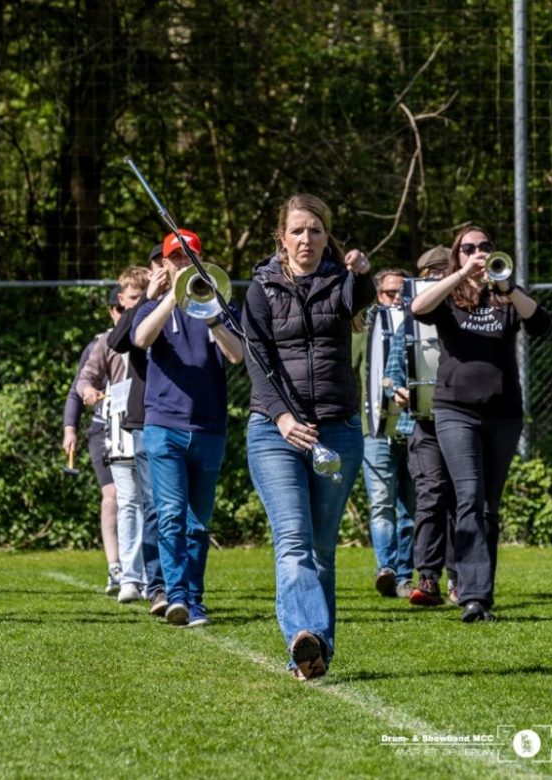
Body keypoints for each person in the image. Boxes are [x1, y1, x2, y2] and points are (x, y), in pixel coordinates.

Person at [243, 194, 375, 680]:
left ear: (327, 236)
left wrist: (362, 273)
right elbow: (256, 359)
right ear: (282, 237)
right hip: (274, 431)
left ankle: (317, 651)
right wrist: (280, 417)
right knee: (294, 539)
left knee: (321, 546)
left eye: (315, 230)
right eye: (297, 231)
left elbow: (357, 300)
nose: (306, 239)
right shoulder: (260, 288)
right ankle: (305, 635)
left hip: (336, 429)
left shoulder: (340, 280)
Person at [411, 226, 552, 622]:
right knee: (469, 497)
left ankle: (480, 593)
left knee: (488, 505)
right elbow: (418, 308)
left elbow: (541, 323)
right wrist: (459, 274)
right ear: (457, 254)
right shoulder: (449, 295)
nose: (478, 253)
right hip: (455, 410)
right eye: (469, 248)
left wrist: (507, 287)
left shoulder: (506, 298)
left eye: (485, 247)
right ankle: (472, 595)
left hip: (503, 413)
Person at [132, 229, 244, 627]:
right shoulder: (152, 307)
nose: (183, 264)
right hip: (164, 426)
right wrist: (168, 297)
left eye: (189, 257)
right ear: (164, 263)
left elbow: (236, 355)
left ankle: (195, 598)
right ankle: (176, 594)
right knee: (171, 515)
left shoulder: (219, 304)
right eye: (176, 258)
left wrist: (211, 312)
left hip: (209, 426)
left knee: (198, 521)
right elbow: (141, 338)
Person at [78, 272, 149, 606]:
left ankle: (152, 574)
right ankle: (126, 573)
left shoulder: (157, 330)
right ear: (120, 301)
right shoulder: (107, 340)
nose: (136, 306)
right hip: (118, 425)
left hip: (154, 421)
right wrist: (90, 392)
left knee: (154, 502)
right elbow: (85, 379)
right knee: (125, 500)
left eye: (143, 298)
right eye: (131, 300)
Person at [106, 245, 168, 616]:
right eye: (160, 262)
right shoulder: (145, 303)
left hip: (186, 415)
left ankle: (180, 583)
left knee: (181, 509)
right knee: (152, 506)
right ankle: (153, 582)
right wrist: (146, 298)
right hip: (145, 417)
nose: (167, 267)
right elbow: (117, 342)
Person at [405, 246, 459, 607]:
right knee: (432, 493)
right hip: (424, 422)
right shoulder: (408, 315)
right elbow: (394, 362)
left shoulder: (464, 310)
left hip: (461, 417)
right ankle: (427, 576)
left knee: (462, 498)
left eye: (445, 270)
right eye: (432, 272)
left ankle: (460, 578)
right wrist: (395, 387)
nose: (439, 276)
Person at [357, 267, 416, 599]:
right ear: (378, 296)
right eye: (389, 293)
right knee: (381, 503)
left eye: (402, 293)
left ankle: (405, 575)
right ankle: (387, 568)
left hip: (412, 427)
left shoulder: (419, 325)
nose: (396, 299)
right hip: (375, 428)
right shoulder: (366, 329)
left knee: (411, 505)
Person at [63, 293, 120, 595]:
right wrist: (70, 428)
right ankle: (115, 567)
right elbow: (77, 389)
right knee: (111, 496)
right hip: (103, 428)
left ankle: (142, 568)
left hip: (139, 427)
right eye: (120, 308)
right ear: (112, 310)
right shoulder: (98, 344)